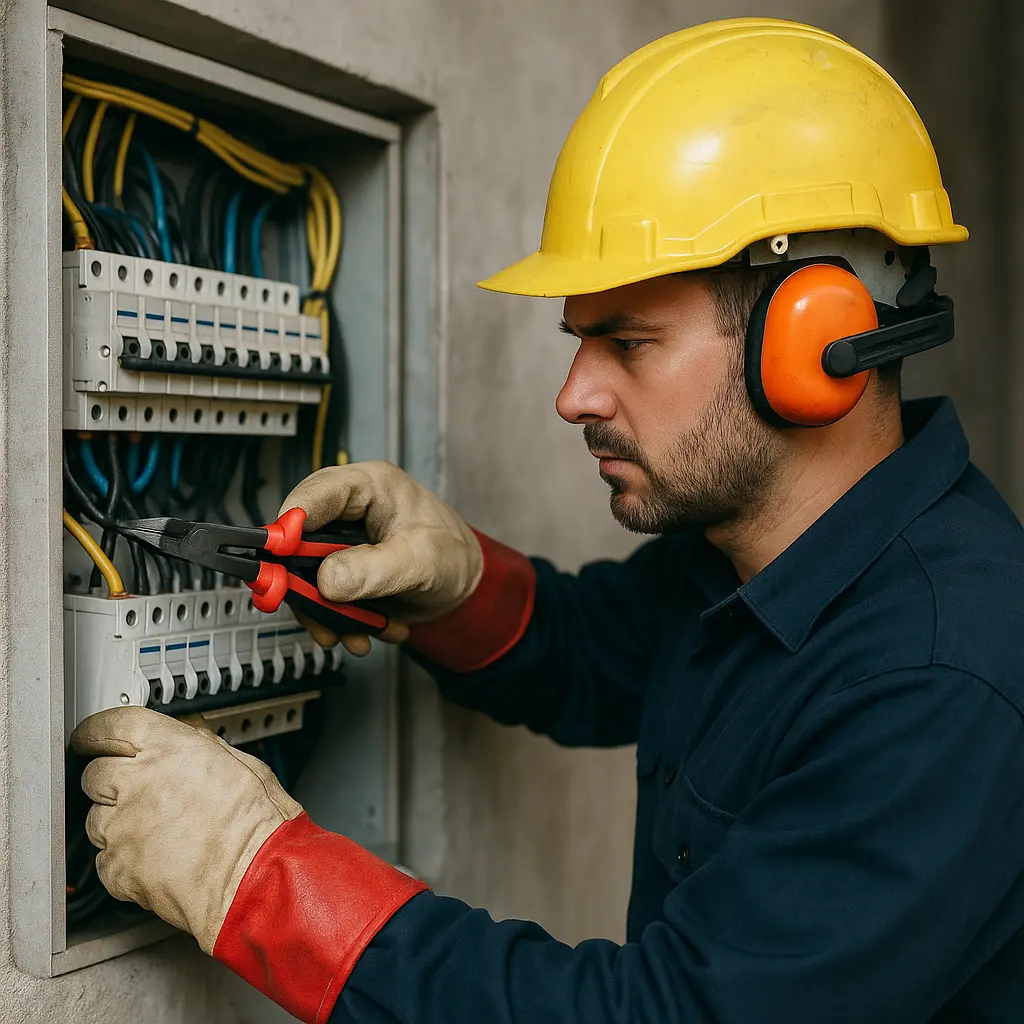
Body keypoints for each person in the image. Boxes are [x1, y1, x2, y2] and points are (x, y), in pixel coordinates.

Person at [71, 18, 1024, 1024]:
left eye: (626, 341)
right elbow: (598, 652)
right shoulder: (756, 552)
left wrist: (257, 879)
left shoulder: (939, 677)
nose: (573, 395)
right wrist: (453, 586)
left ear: (815, 339)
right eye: (579, 341)